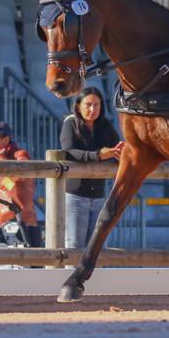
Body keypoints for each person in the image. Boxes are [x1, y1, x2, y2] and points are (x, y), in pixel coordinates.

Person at [60, 87, 122, 248]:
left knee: (98, 247)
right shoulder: (70, 123)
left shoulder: (106, 125)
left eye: (96, 105)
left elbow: (117, 148)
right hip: (75, 196)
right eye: (88, 105)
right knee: (75, 246)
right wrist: (98, 155)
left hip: (99, 196)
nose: (93, 109)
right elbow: (69, 152)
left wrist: (119, 154)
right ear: (78, 105)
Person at [0, 121, 42, 247]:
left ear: (6, 139)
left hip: (21, 221)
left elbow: (18, 179)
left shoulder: (20, 154)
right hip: (0, 221)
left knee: (24, 259)